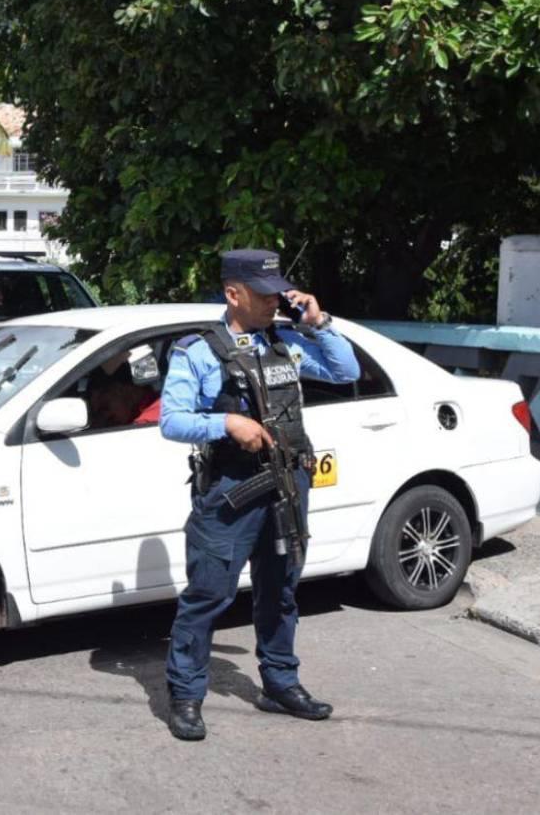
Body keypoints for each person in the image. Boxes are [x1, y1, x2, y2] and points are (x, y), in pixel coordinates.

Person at [159, 249, 360, 741]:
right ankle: (186, 695)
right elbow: (172, 419)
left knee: (281, 591)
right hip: (231, 491)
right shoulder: (199, 350)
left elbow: (345, 370)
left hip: (287, 489)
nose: (276, 301)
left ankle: (280, 683)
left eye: (279, 291)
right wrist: (226, 422)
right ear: (233, 293)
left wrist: (319, 321)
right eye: (265, 293)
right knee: (209, 595)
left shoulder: (285, 341)